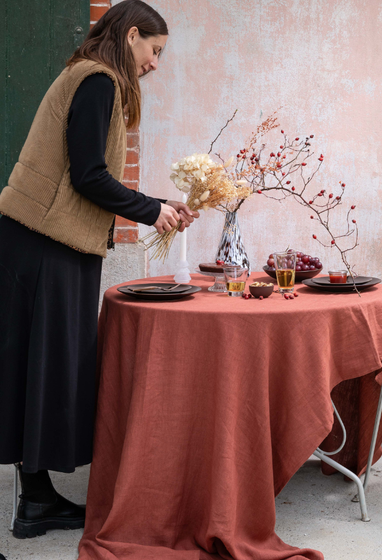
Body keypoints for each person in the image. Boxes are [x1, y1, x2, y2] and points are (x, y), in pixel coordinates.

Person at [0, 0, 197, 539]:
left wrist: (159, 205)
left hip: (42, 240)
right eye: (154, 51)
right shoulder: (98, 81)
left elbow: (86, 176)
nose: (156, 64)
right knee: (38, 370)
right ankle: (35, 499)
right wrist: (153, 210)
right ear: (131, 36)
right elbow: (89, 176)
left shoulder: (89, 76)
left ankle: (36, 501)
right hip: (45, 244)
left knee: (36, 371)